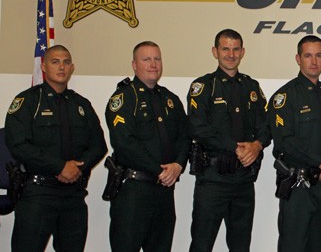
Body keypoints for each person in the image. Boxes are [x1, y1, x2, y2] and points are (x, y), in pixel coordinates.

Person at [5, 45, 107, 251]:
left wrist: (78, 167)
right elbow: (18, 144)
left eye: (66, 62)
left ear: (72, 68)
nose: (62, 67)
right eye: (55, 62)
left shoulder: (81, 105)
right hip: (38, 194)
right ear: (43, 66)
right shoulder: (27, 101)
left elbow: (98, 145)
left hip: (73, 196)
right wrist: (59, 167)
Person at [187, 29, 270, 252]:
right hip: (213, 181)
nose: (231, 54)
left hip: (244, 181)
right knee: (202, 244)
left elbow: (266, 125)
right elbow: (197, 128)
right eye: (225, 49)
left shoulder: (251, 87)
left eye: (235, 49)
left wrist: (257, 145)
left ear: (242, 52)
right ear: (215, 52)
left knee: (241, 246)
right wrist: (234, 147)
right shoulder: (203, 87)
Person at [268, 35, 321, 252]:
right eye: (308, 55)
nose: (313, 61)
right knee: (292, 247)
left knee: (319, 247)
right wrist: (320, 161)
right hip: (298, 187)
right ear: (298, 58)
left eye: (318, 55)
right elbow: (284, 141)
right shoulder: (285, 97)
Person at [105, 41, 190, 252]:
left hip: (163, 191)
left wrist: (178, 164)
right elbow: (124, 143)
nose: (153, 64)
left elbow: (185, 136)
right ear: (134, 65)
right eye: (147, 59)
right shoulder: (123, 98)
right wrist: (159, 170)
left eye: (157, 59)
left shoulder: (170, 99)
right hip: (133, 191)